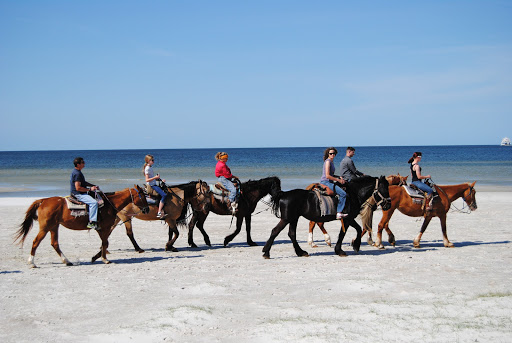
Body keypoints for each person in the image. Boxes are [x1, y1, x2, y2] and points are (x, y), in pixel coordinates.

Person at [70, 157, 100, 230]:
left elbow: (83, 183)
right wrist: (90, 189)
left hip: (79, 192)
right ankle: (92, 222)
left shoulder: (77, 172)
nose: (84, 164)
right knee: (94, 203)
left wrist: (92, 185)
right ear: (78, 164)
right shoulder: (77, 174)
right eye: (82, 162)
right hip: (78, 194)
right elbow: (78, 188)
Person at [320, 147, 348, 219]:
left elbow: (331, 174)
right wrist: (338, 180)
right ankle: (339, 212)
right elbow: (328, 175)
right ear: (328, 154)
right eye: (331, 153)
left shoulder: (331, 162)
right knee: (343, 194)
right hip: (326, 182)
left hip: (329, 181)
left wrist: (339, 177)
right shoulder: (328, 162)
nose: (332, 154)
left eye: (334, 153)